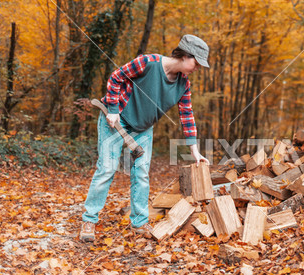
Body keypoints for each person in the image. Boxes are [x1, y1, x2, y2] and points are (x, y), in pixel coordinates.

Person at [80, 35, 210, 242]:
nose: (197, 68)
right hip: (116, 119)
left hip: (143, 128)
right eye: (196, 63)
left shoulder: (183, 85)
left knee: (140, 173)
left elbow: (186, 115)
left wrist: (195, 151)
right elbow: (116, 77)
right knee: (107, 168)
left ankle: (139, 222)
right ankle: (89, 219)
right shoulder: (148, 63)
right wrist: (112, 109)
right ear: (186, 55)